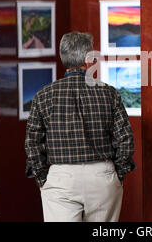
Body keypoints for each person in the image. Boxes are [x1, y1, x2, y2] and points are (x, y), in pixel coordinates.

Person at [25, 31, 135, 222]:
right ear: (88, 59)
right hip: (103, 176)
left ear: (63, 58)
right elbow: (125, 139)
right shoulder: (109, 93)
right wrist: (118, 174)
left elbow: (32, 143)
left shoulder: (43, 96)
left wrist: (42, 178)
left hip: (61, 178)